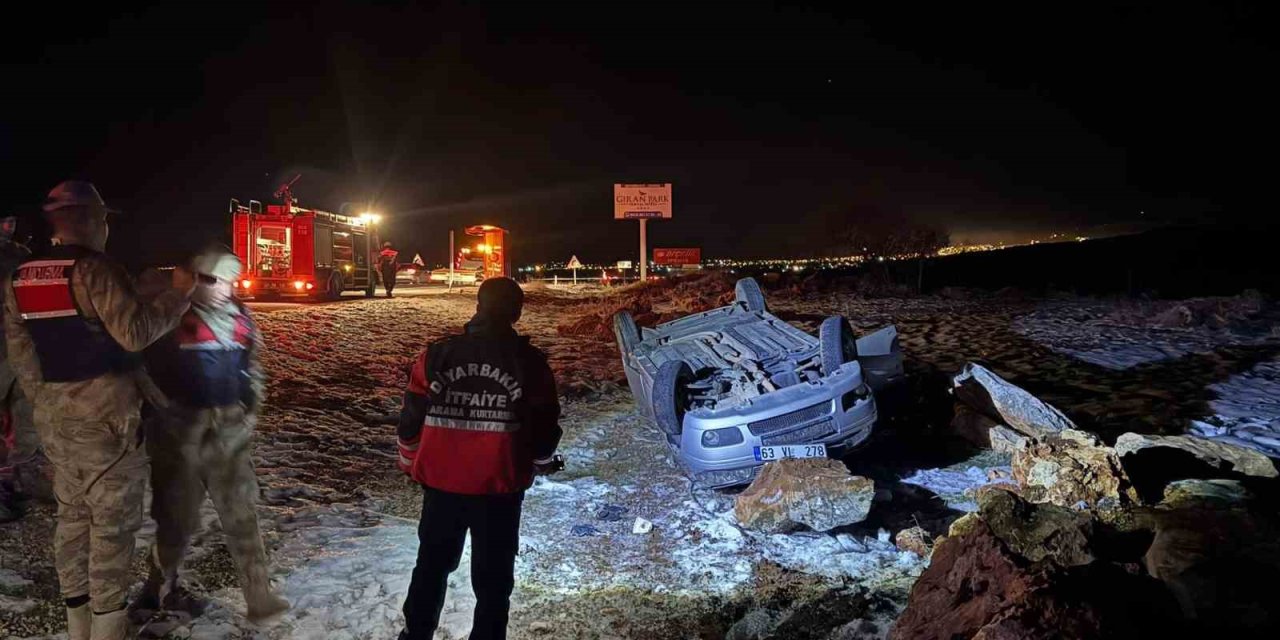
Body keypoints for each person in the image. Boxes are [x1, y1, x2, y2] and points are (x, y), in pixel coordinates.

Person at [3, 181, 192, 640]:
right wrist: (179, 295)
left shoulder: (22, 275)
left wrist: (48, 406)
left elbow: (21, 353)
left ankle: (78, 625)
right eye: (104, 218)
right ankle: (108, 630)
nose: (106, 227)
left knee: (72, 519)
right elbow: (135, 332)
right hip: (107, 422)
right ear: (90, 219)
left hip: (58, 421)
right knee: (112, 528)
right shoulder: (95, 269)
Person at [396, 277, 562, 640]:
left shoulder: (436, 355)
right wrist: (542, 462)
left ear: (478, 306)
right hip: (499, 489)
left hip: (442, 487)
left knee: (432, 565)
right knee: (494, 577)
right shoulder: (530, 363)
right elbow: (545, 428)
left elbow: (411, 418)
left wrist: (410, 461)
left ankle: (415, 634)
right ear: (516, 313)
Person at [132, 246, 290, 625]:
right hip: (180, 434)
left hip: (228, 430)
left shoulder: (240, 314)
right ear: (197, 279)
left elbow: (252, 366)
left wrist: (250, 411)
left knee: (241, 513)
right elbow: (139, 370)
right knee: (176, 517)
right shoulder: (168, 316)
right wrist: (166, 414)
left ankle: (259, 597)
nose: (225, 289)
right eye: (217, 280)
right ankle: (157, 591)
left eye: (231, 281)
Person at [0, 215, 33, 523]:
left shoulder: (21, 255)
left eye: (11, 219)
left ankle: (14, 480)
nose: (8, 225)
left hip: (19, 346)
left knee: (22, 419)